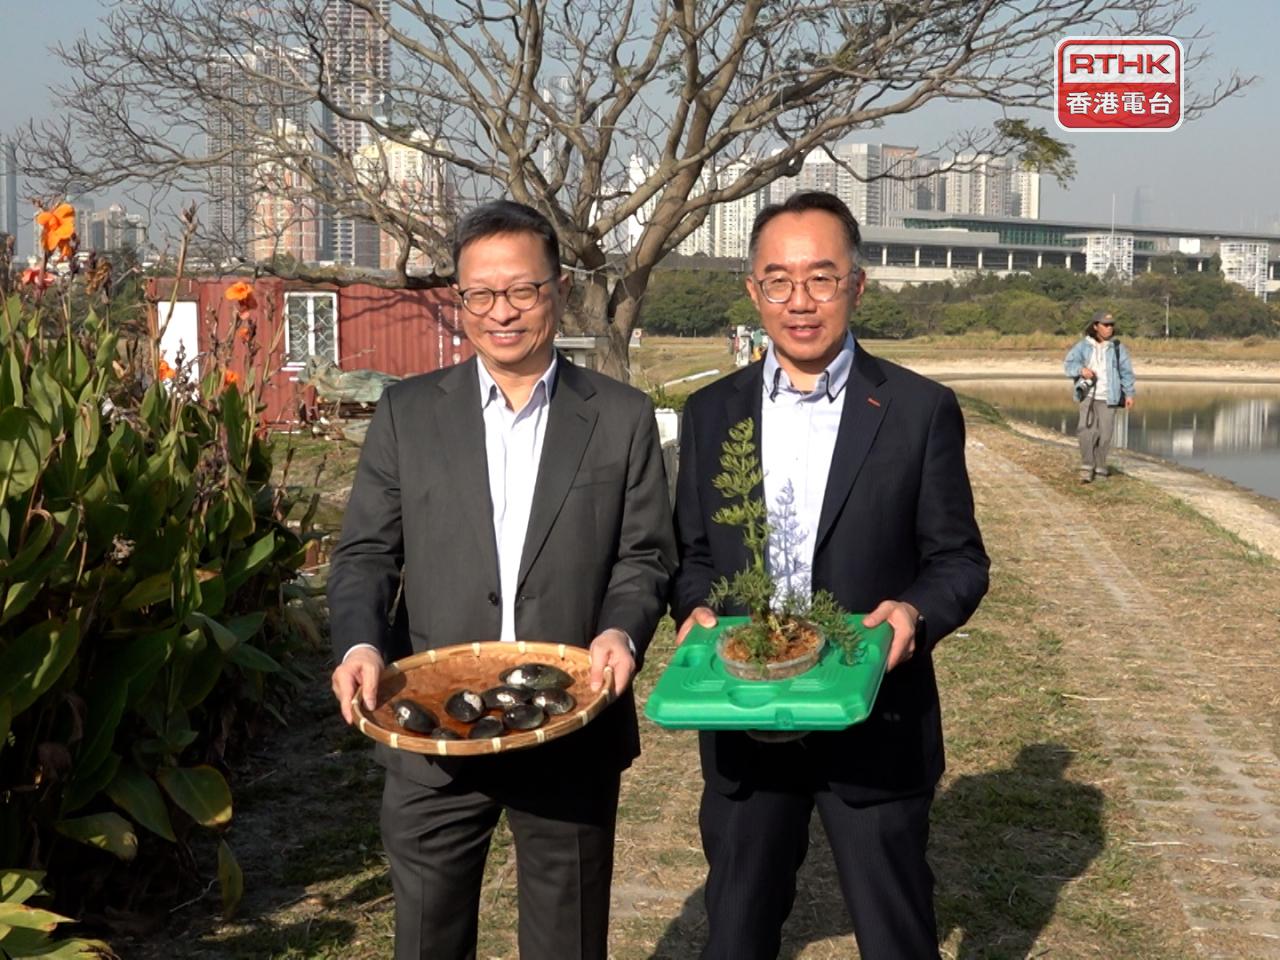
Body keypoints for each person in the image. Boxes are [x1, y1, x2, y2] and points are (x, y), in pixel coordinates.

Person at [327, 200, 676, 960]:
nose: (501, 312)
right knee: (428, 937)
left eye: (522, 290)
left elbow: (645, 555)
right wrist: (359, 644)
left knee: (565, 940)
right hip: (431, 721)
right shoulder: (408, 413)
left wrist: (621, 631)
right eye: (480, 294)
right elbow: (365, 555)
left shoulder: (620, 417)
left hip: (570, 720)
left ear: (558, 289)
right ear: (460, 299)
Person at [672, 191, 990, 960]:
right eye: (778, 281)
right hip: (745, 716)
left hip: (875, 715)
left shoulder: (918, 409)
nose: (800, 301)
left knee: (895, 935)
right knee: (736, 933)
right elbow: (694, 553)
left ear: (857, 284)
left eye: (821, 277)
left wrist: (913, 615)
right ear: (753, 291)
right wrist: (694, 609)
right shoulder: (711, 412)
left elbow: (958, 559)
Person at [1063, 310, 1136, 483]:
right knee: (1086, 432)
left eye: (1111, 325)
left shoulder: (1117, 347)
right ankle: (1087, 466)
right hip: (1088, 396)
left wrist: (1129, 394)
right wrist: (1081, 370)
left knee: (1105, 435)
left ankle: (1101, 466)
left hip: (1109, 397)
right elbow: (1069, 364)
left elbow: (1126, 372)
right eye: (1105, 325)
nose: (1109, 328)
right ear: (1095, 326)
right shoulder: (1083, 346)